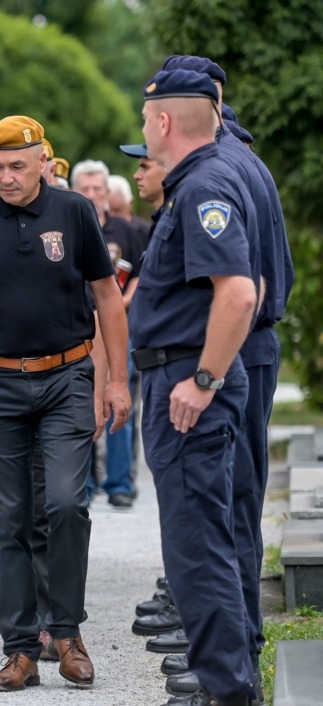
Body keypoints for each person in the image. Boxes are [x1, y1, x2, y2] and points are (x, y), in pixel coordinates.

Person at [0, 115, 131, 692]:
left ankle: (66, 632)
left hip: (66, 376)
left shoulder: (72, 213)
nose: (7, 178)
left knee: (66, 504)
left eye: (18, 166)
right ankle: (20, 649)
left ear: (45, 159)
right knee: (9, 517)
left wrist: (116, 381)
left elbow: (106, 297)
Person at [157, 55, 294, 706]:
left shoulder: (215, 174)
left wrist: (205, 375)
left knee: (220, 515)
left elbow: (243, 291)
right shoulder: (239, 164)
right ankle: (230, 653)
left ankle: (232, 661)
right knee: (223, 510)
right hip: (241, 349)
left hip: (227, 353)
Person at [130, 68, 261, 706]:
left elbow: (238, 292)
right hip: (182, 373)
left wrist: (203, 379)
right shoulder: (199, 180)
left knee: (197, 549)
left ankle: (227, 690)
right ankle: (227, 683)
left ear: (162, 121)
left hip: (188, 380)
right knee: (201, 541)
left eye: (143, 117)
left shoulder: (205, 183)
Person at [72, 159, 144, 508]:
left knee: (117, 397)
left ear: (107, 191)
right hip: (78, 330)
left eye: (97, 188)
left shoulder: (125, 230)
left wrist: (123, 300)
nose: (91, 194)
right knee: (78, 403)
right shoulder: (68, 227)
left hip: (117, 325)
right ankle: (83, 483)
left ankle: (119, 482)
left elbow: (143, 271)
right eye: (84, 188)